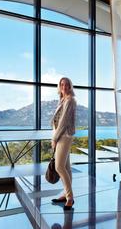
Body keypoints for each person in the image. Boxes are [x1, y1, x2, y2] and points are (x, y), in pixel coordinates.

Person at [50, 77, 77, 210]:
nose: (64, 87)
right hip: (61, 135)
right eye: (62, 84)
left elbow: (64, 121)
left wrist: (55, 138)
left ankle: (70, 197)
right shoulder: (63, 100)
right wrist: (54, 136)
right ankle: (66, 195)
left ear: (70, 86)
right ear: (59, 86)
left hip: (64, 136)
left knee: (59, 167)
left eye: (67, 84)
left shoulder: (70, 100)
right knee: (66, 167)